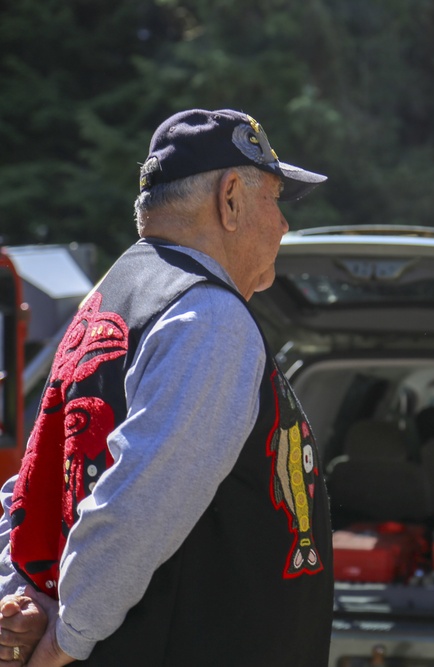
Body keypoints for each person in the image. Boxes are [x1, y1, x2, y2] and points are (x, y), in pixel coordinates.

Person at [0, 109, 335, 666]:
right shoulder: (206, 316)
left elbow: (32, 485)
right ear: (230, 197)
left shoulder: (109, 299)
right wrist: (65, 638)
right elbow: (139, 501)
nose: (283, 226)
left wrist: (20, 595)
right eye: (275, 200)